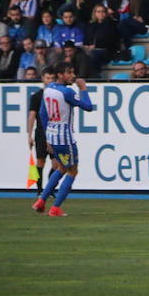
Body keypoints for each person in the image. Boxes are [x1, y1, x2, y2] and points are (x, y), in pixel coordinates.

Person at [32, 63, 94, 217]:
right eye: (69, 72)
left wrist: (47, 137)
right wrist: (83, 88)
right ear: (60, 74)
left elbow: (42, 114)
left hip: (52, 135)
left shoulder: (48, 89)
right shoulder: (67, 92)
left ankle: (41, 200)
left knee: (61, 167)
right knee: (73, 170)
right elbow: (88, 106)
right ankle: (55, 208)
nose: (72, 75)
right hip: (65, 137)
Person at [27, 67, 57, 197]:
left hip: (55, 133)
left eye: (52, 78)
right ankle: (40, 191)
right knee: (40, 162)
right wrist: (29, 135)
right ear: (43, 79)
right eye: (47, 78)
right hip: (41, 133)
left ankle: (49, 189)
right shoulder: (37, 97)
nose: (50, 81)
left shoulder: (57, 95)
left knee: (57, 164)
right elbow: (32, 115)